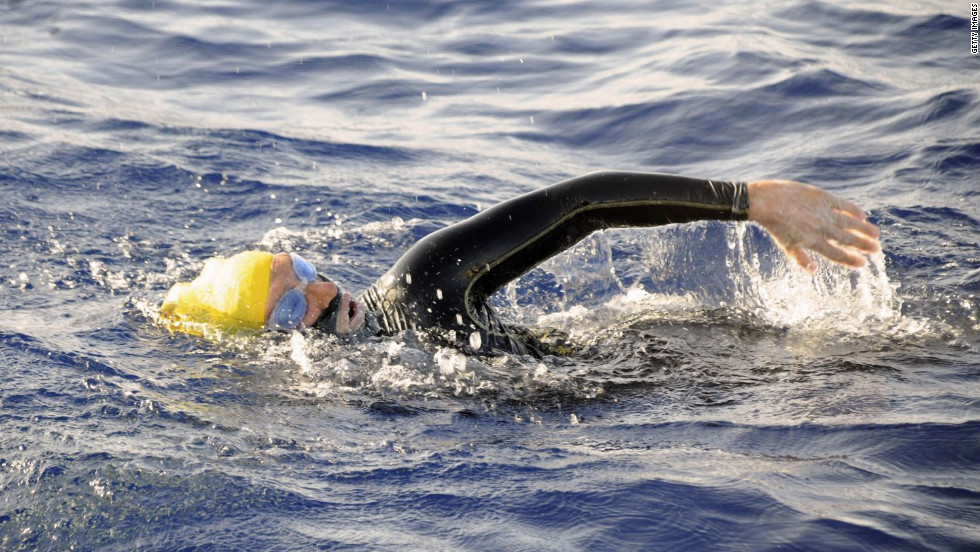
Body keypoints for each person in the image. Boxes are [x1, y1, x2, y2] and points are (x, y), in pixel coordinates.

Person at [159, 171, 880, 356]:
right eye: (290, 307)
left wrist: (748, 200)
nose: (321, 289)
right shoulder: (330, 397)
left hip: (688, 367)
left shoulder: (420, 285)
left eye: (306, 267)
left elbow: (581, 205)